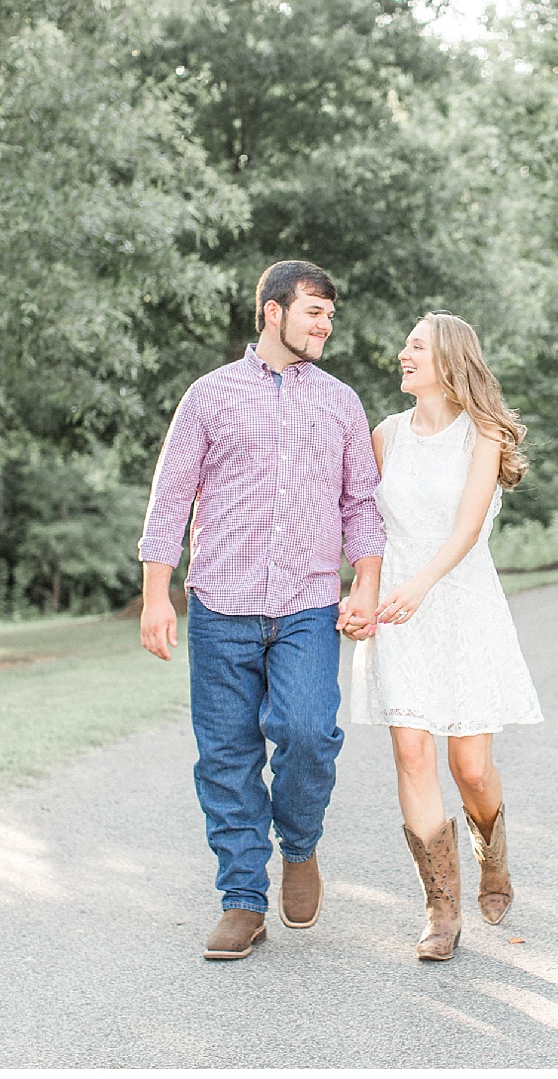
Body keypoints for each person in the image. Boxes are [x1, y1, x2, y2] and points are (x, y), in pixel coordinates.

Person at [137, 260, 385, 962]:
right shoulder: (209, 397)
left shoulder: (340, 402)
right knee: (226, 757)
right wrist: (158, 597)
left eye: (330, 314)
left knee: (309, 733)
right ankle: (242, 898)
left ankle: (300, 845)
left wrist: (365, 583)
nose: (325, 324)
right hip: (220, 604)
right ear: (273, 312)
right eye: (313, 311)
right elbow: (170, 498)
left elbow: (360, 504)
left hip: (308, 601)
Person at [351, 312, 542, 961]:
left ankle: (493, 849)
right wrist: (365, 591)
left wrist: (422, 583)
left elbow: (464, 531)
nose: (402, 353)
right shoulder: (386, 435)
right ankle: (440, 906)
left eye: (415, 345)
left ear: (448, 360)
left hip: (458, 600)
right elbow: (365, 525)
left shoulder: (481, 434)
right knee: (411, 751)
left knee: (469, 764)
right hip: (399, 607)